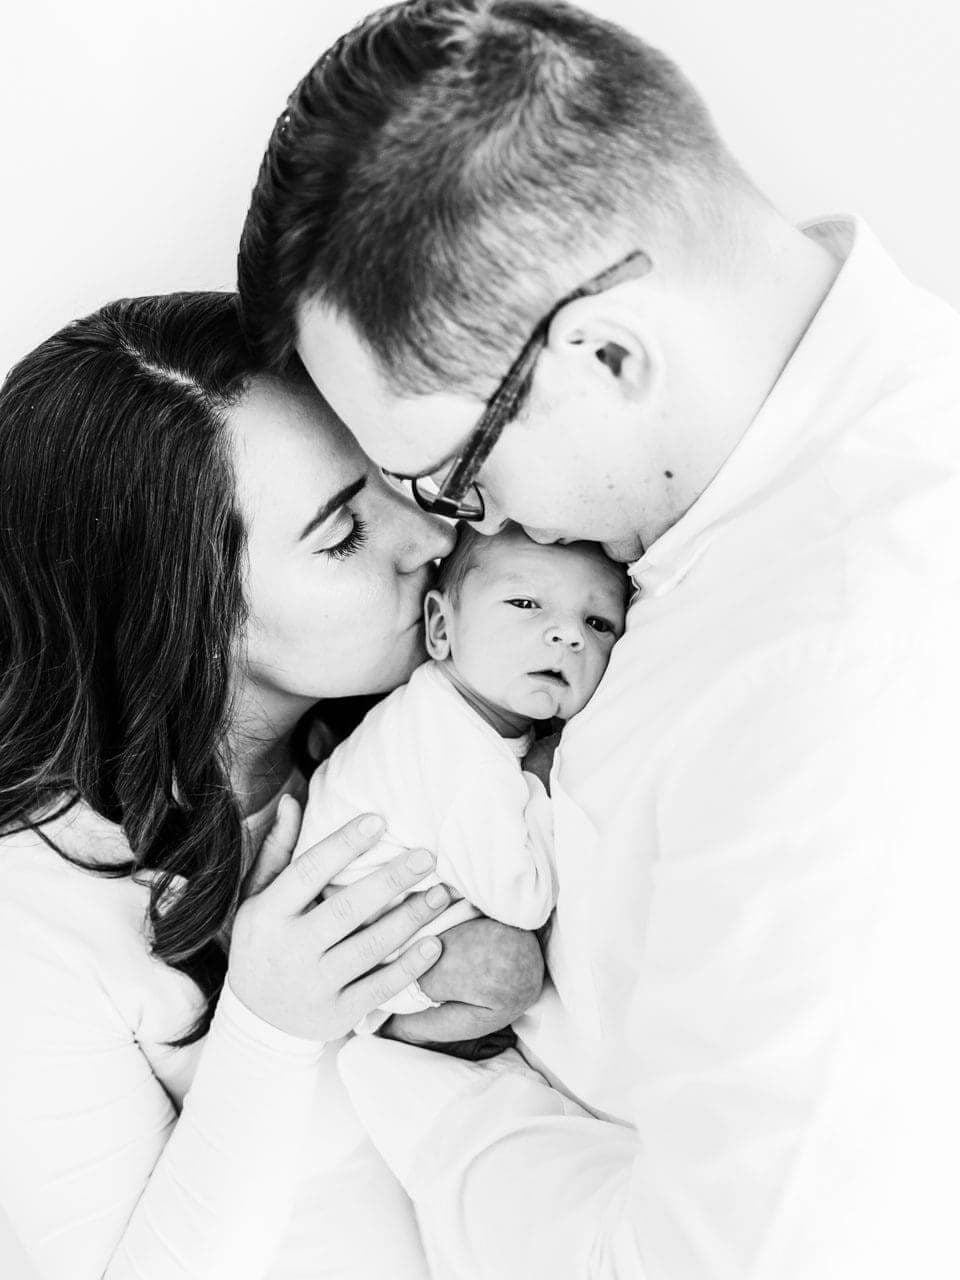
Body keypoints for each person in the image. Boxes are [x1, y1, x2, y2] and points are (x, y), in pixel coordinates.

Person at [236, 1, 960, 1276]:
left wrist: (416, 1082)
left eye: (453, 475)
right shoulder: (752, 493)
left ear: (608, 355)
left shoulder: (840, 673)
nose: (461, 533)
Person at [0, 291, 543, 1280]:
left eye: (388, 478)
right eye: (342, 535)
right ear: (182, 619)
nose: (428, 538)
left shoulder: (447, 706)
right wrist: (266, 1028)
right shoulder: (35, 917)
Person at [297, 522, 627, 1042]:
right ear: (441, 628)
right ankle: (397, 1031)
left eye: (599, 623)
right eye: (525, 603)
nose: (569, 635)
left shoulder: (457, 706)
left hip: (401, 911)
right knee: (508, 968)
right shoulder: (459, 753)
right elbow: (524, 900)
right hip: (365, 953)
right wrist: (541, 778)